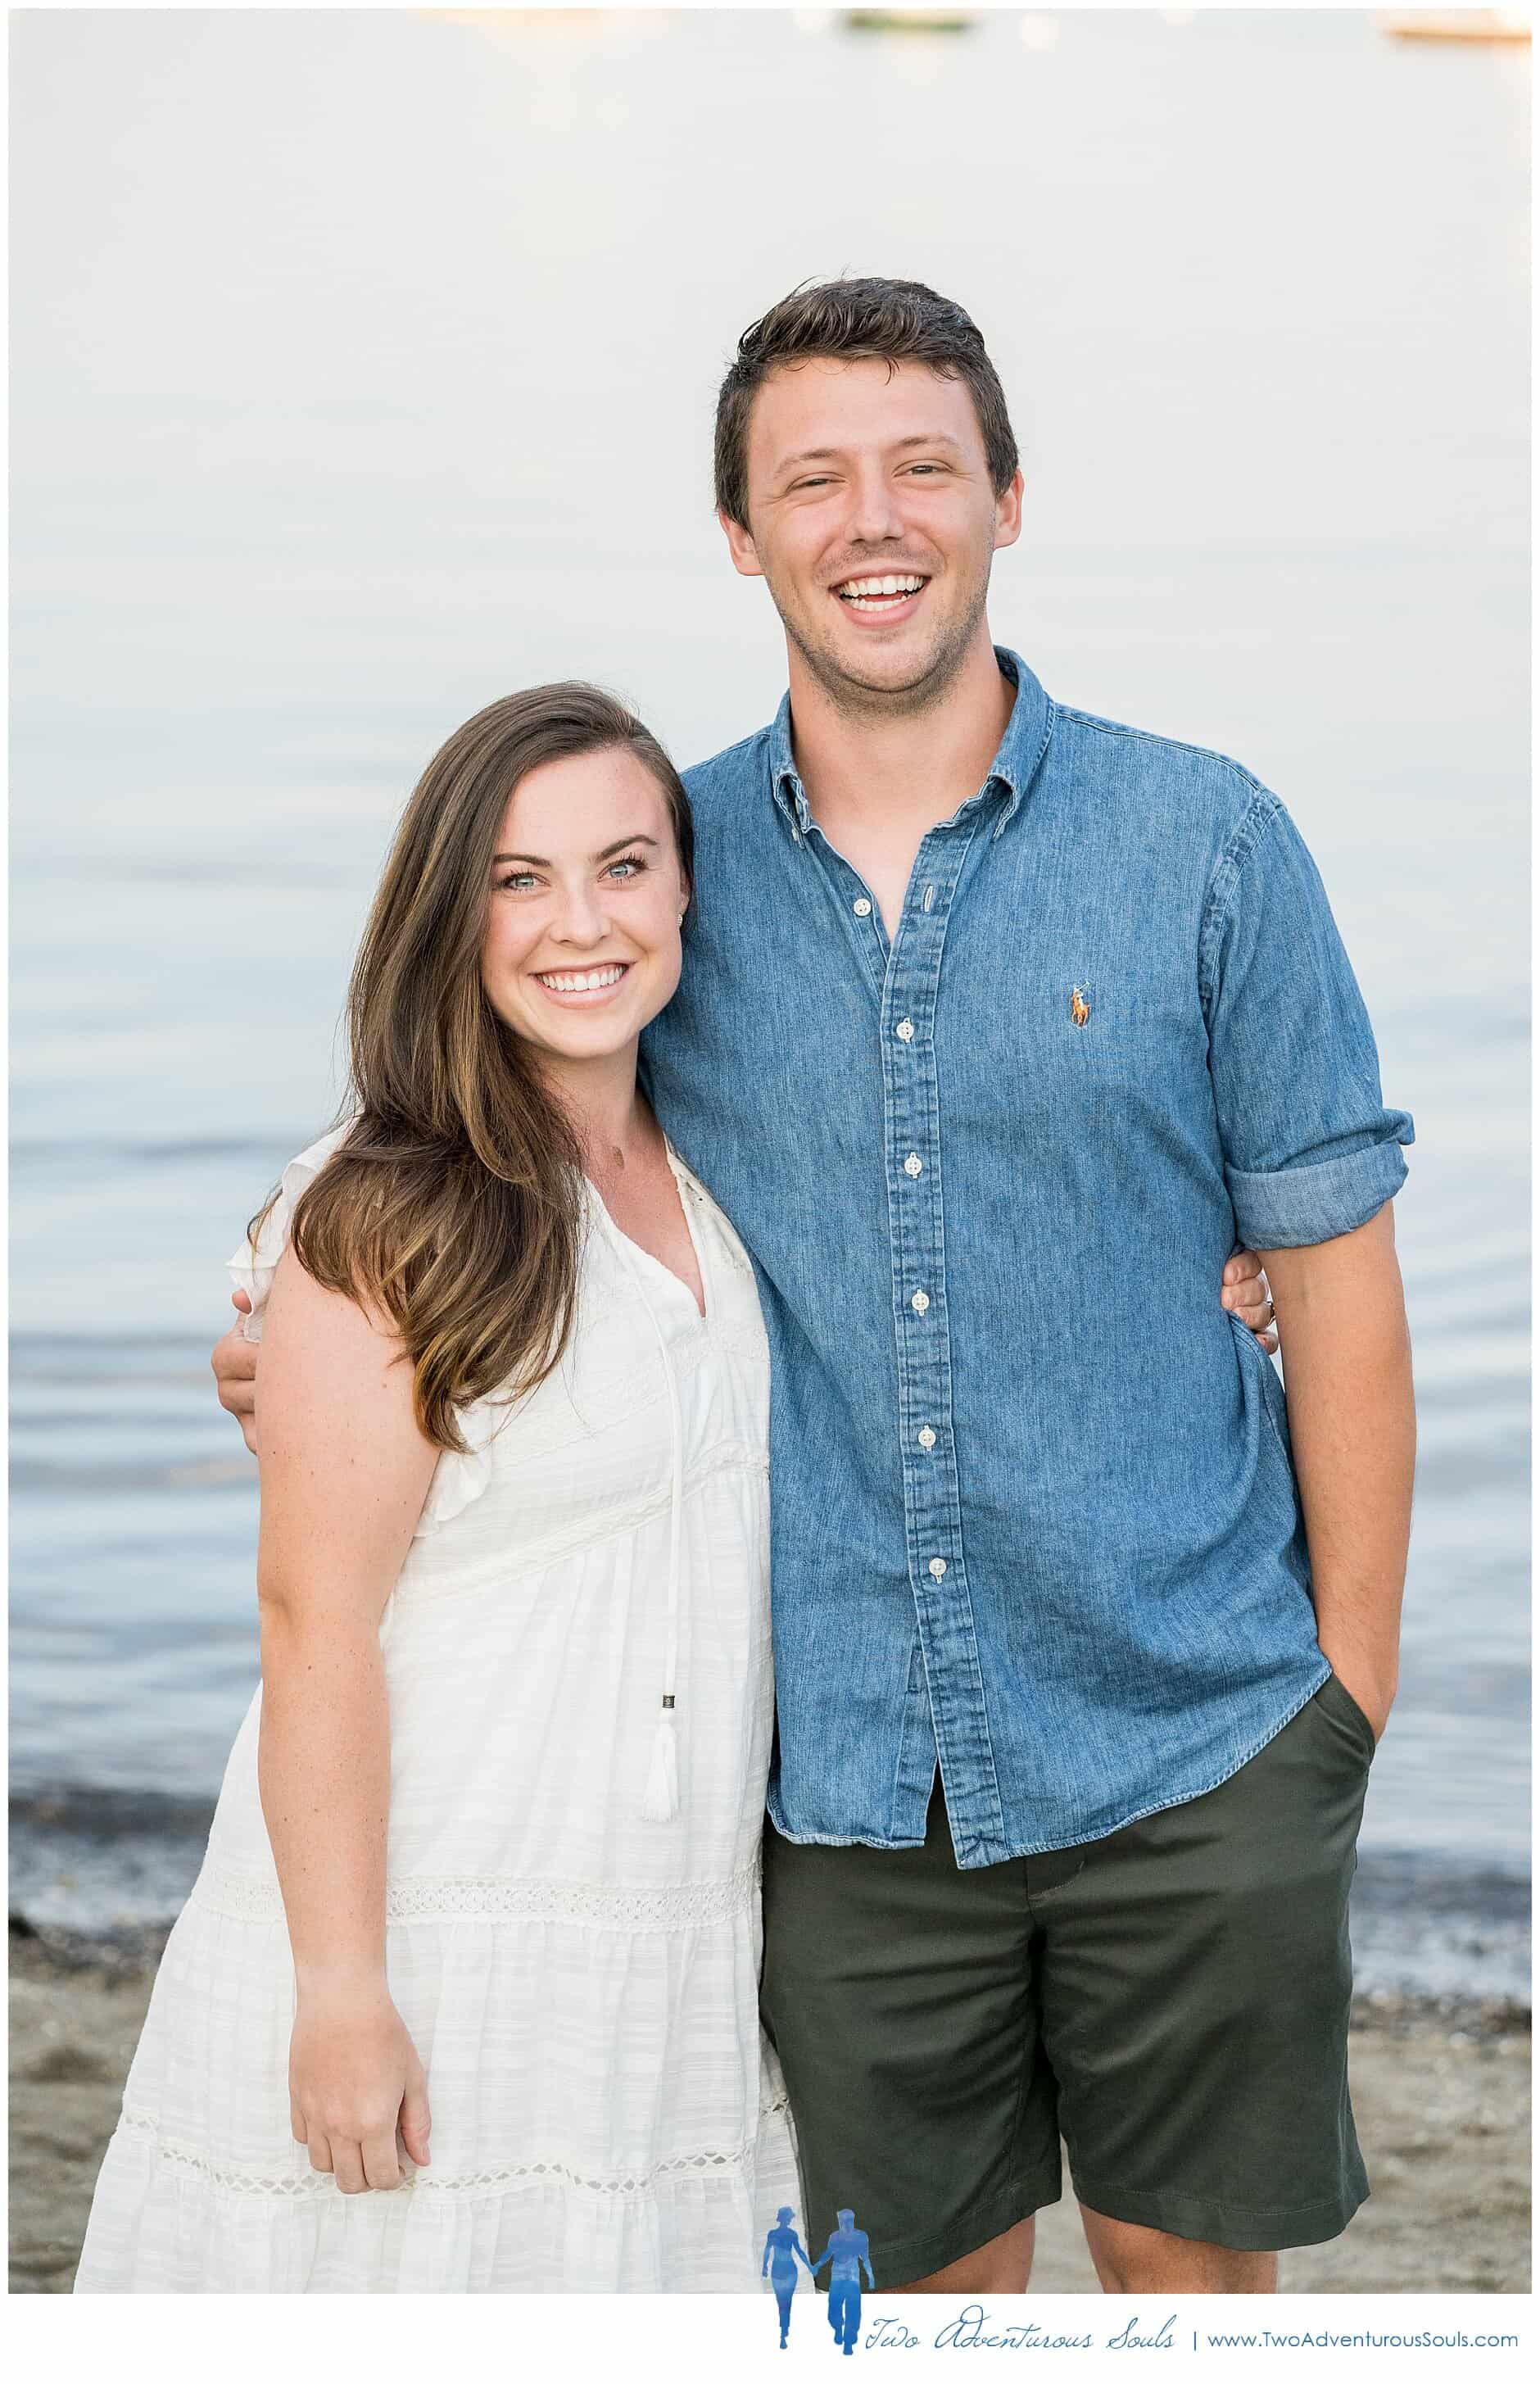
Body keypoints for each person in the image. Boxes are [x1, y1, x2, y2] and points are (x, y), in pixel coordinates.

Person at [208, 274, 1377, 2299]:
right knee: (906, 2313)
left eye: (921, 465)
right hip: (842, 1780)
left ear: (1007, 497)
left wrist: (1339, 1700)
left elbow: (1337, 1291)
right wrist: (290, 1325)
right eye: (811, 478)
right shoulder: (668, 879)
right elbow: (484, 1127)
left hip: (1193, 1736)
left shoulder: (1207, 841)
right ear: (740, 536)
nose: (873, 518)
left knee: (1197, 2304)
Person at [75, 684, 806, 2291]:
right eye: (516, 879)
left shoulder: (718, 1174)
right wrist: (341, 1987)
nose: (579, 925)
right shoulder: (390, 1210)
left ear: (688, 887)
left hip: (665, 1932)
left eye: (622, 865)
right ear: (445, 913)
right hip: (431, 1914)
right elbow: (310, 1620)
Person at [813, 2210, 874, 2353]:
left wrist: (870, 2276)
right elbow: (828, 2253)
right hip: (837, 2278)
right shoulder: (834, 2237)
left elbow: (865, 2258)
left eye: (847, 2220)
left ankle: (849, 2341)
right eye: (841, 2221)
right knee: (834, 2306)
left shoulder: (861, 2237)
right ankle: (838, 2328)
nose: (844, 2223)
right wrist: (818, 2265)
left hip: (853, 2278)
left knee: (853, 2309)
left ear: (852, 2220)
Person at [761, 2205, 816, 2345]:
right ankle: (783, 2331)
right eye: (789, 2217)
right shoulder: (781, 2234)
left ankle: (784, 2331)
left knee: (784, 2302)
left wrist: (810, 2266)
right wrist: (764, 2266)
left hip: (785, 2270)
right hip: (783, 2270)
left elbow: (799, 2252)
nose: (789, 2220)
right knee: (783, 2302)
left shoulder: (785, 2234)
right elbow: (767, 2250)